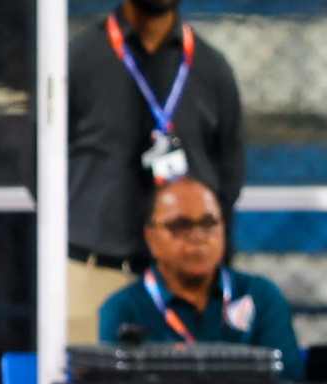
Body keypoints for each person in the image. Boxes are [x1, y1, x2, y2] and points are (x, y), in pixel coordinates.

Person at [68, 0, 244, 346]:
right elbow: (37, 166)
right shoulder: (79, 59)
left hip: (187, 283)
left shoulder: (211, 66)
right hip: (95, 274)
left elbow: (229, 174)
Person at [97, 177, 302, 380]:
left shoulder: (261, 297)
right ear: (151, 237)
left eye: (209, 223)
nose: (198, 237)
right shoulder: (123, 308)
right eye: (180, 225)